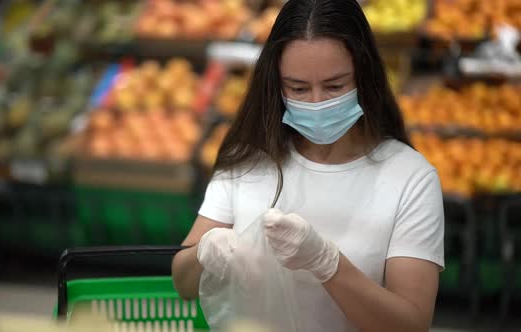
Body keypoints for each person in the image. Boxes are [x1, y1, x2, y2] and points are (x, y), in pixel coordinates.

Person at [172, 0, 444, 331]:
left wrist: (328, 264)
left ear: (364, 76)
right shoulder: (248, 160)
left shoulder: (410, 178)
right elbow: (183, 284)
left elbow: (411, 325)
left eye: (335, 86)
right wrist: (205, 252)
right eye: (298, 88)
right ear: (276, 85)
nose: (317, 102)